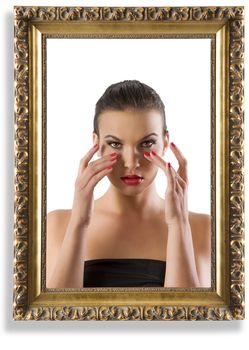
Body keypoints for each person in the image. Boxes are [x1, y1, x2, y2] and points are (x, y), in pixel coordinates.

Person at [46, 79, 211, 289]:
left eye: (146, 143)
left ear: (166, 143)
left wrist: (178, 224)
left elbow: (189, 318)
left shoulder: (204, 229)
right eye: (115, 144)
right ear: (96, 145)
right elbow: (55, 319)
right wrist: (79, 222)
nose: (131, 162)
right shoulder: (57, 224)